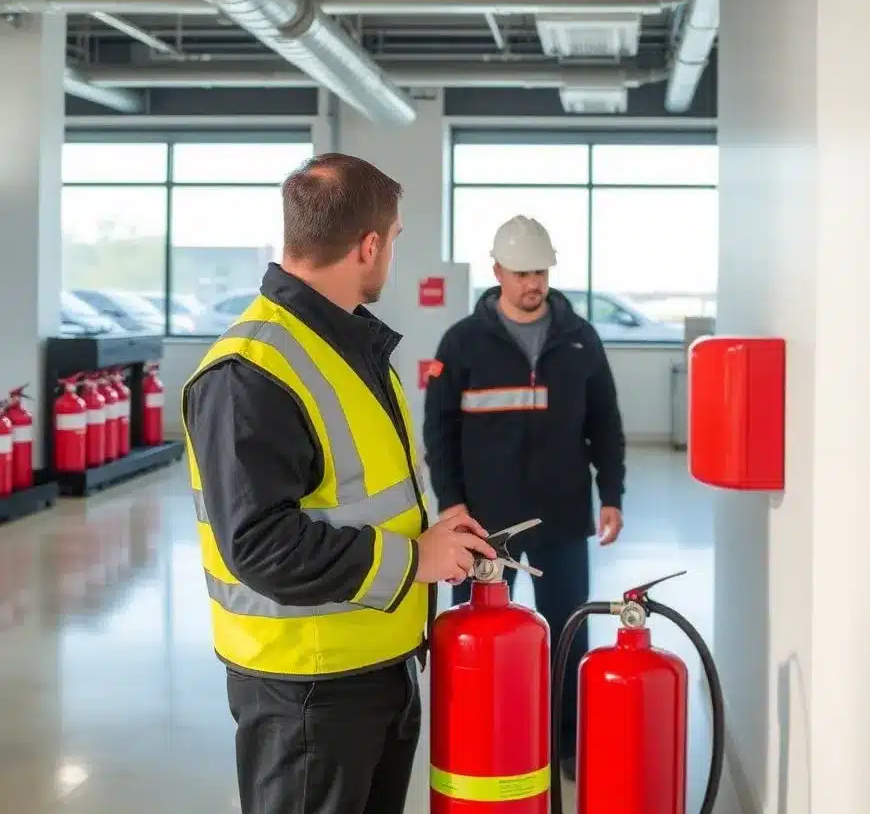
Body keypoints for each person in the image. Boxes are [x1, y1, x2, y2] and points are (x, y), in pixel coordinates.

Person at [182, 152, 496, 814]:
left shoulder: (346, 345)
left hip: (377, 662)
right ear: (371, 244)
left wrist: (430, 536)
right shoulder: (250, 371)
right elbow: (262, 545)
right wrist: (415, 560)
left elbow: (354, 495)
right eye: (396, 239)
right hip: (307, 694)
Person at [422, 214, 626, 780]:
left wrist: (611, 494)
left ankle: (565, 744)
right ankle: (474, 736)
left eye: (540, 271)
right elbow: (439, 429)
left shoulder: (580, 337)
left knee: (569, 631)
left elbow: (605, 422)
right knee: (472, 634)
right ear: (497, 273)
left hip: (561, 517)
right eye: (521, 273)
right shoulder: (462, 343)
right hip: (483, 523)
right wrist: (451, 502)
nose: (532, 283)